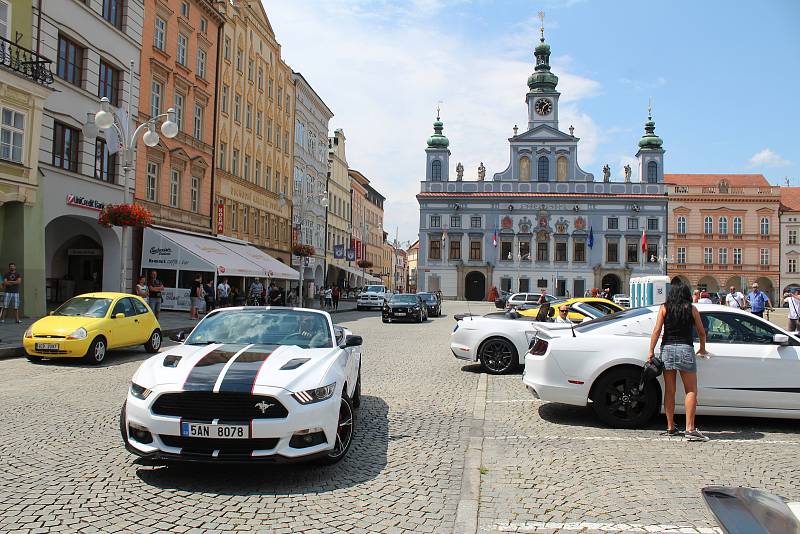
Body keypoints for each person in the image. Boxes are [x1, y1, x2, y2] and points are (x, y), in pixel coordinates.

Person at [648, 283, 709, 441]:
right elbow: (702, 332)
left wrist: (650, 351)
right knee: (691, 390)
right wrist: (702, 348)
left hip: (667, 348)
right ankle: (690, 428)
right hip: (685, 349)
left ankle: (670, 426)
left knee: (670, 390)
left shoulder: (664, 307)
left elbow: (656, 330)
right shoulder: (691, 308)